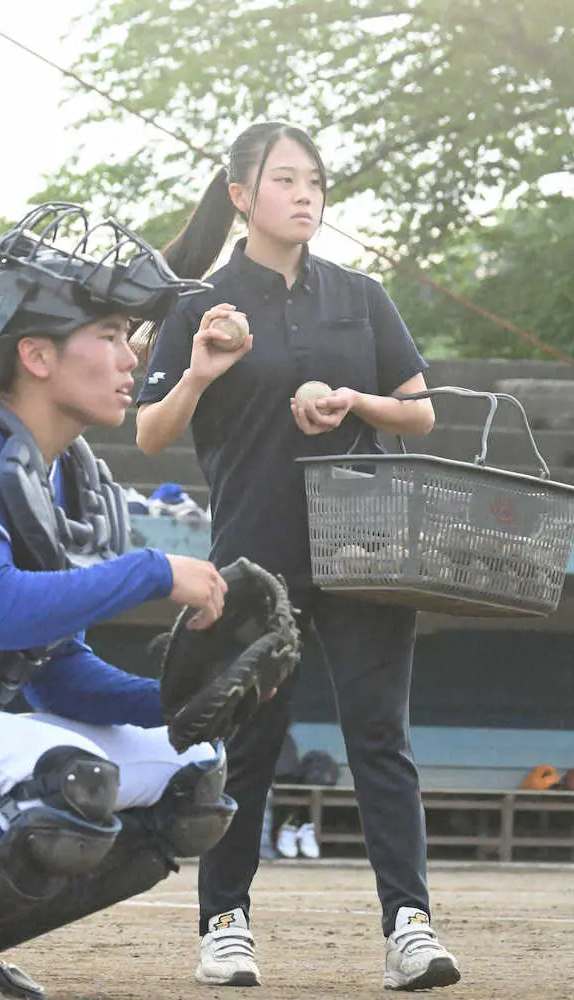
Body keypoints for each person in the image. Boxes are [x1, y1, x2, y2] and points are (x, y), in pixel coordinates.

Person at [136, 122, 461, 991]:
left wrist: (353, 399)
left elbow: (420, 413)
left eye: (314, 180)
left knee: (380, 740)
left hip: (367, 544)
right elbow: (150, 429)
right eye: (285, 180)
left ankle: (410, 927)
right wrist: (203, 369)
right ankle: (225, 924)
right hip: (254, 554)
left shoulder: (360, 294)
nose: (306, 194)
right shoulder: (196, 304)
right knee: (244, 747)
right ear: (241, 195)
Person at [0, 203, 236, 1000]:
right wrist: (149, 572)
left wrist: (186, 700)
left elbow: (56, 675)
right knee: (64, 773)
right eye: (107, 335)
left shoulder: (68, 475)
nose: (129, 357)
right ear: (35, 354)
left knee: (191, 776)